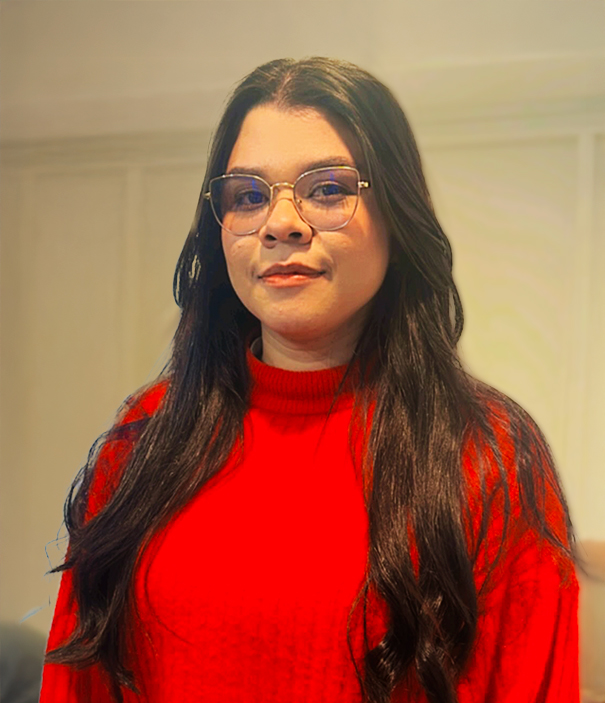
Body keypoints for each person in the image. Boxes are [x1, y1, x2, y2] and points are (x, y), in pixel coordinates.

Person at [40, 57, 579, 703]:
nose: (281, 223)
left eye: (326, 189)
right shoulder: (146, 436)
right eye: (248, 196)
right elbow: (76, 678)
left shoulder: (487, 453)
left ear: (396, 213)